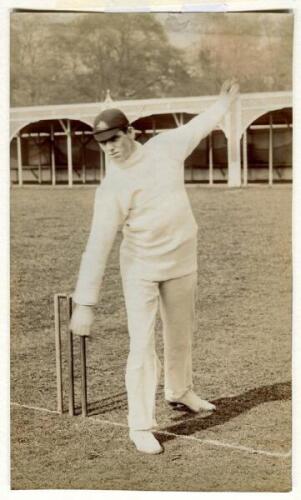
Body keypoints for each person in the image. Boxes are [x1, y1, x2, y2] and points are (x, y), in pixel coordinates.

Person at [70, 80, 239, 454]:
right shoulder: (112, 187)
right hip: (141, 268)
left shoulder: (164, 148)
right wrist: (85, 304)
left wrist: (223, 103)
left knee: (181, 334)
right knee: (142, 345)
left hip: (181, 259)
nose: (110, 148)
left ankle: (180, 391)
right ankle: (140, 425)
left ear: (132, 132)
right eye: (103, 143)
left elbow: (198, 125)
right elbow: (97, 246)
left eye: (115, 138)